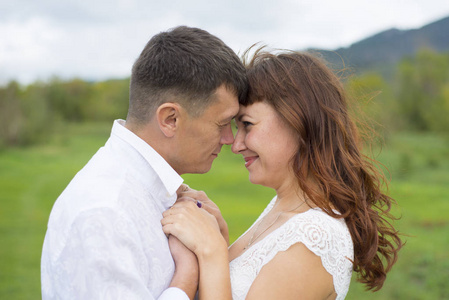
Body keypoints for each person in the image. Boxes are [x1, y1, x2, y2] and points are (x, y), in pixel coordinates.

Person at [161, 47, 403, 299]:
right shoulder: (283, 207)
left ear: (297, 121)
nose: (236, 145)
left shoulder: (313, 239)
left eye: (247, 125)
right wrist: (219, 236)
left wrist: (211, 250)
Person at [41, 26, 247, 300]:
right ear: (170, 119)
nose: (229, 140)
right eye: (222, 124)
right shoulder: (103, 213)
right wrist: (188, 274)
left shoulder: (149, 193)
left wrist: (216, 242)